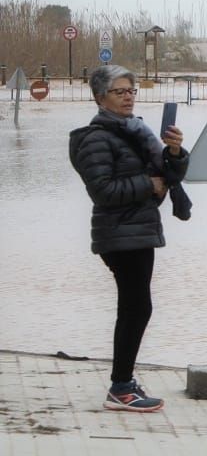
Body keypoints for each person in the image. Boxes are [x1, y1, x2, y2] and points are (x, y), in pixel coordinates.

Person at [68, 65, 189, 412]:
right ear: (100, 97)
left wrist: (175, 153)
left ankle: (123, 383)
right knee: (136, 307)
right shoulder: (96, 139)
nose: (128, 97)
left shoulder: (136, 132)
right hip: (119, 231)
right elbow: (102, 190)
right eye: (119, 91)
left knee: (136, 306)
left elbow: (170, 174)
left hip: (138, 228)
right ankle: (120, 388)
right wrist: (147, 185)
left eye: (132, 91)